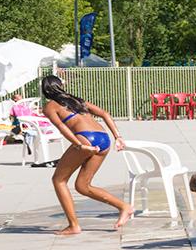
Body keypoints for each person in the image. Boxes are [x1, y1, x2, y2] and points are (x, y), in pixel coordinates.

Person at [39, 74, 131, 235]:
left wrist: (79, 145)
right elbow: (105, 113)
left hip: (85, 138)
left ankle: (74, 225)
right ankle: (124, 207)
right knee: (82, 186)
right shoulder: (77, 101)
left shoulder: (49, 107)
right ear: (60, 86)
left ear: (45, 91)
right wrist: (118, 137)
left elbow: (62, 127)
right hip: (103, 138)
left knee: (59, 180)